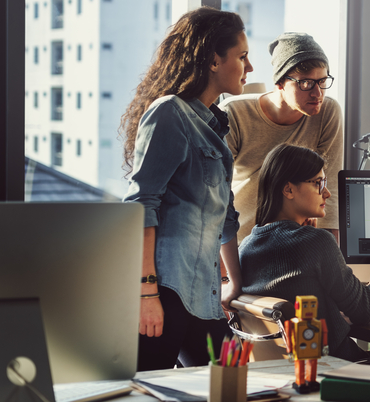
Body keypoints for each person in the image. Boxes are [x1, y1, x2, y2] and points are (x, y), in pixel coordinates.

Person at [120, 7, 252, 370]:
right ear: (213, 59)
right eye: (242, 57)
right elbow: (141, 204)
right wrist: (146, 293)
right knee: (146, 391)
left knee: (234, 379)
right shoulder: (170, 114)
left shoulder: (216, 128)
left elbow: (226, 220)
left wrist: (235, 285)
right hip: (166, 293)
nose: (250, 67)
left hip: (204, 298)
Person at [239, 144, 370, 361]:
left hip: (288, 376)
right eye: (319, 183)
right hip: (339, 372)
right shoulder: (316, 242)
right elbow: (364, 310)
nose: (327, 193)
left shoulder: (246, 246)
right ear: (289, 189)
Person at [221, 32, 344, 244]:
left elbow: (329, 186)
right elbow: (218, 196)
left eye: (322, 81)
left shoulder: (328, 112)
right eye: (305, 83)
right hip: (240, 242)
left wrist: (331, 258)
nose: (317, 94)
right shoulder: (234, 114)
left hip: (295, 244)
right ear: (280, 83)